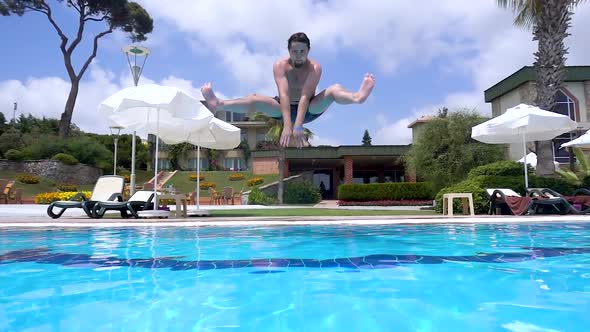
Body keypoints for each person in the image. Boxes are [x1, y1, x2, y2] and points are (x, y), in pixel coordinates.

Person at [200, 32, 375, 148]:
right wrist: (287, 126)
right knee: (255, 99)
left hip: (309, 109)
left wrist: (298, 126)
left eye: (302, 51)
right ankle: (219, 104)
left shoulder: (315, 67)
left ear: (308, 50)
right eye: (294, 51)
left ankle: (357, 97)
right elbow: (283, 95)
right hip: (282, 108)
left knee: (334, 90)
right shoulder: (280, 66)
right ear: (288, 50)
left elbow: (306, 95)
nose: (298, 55)